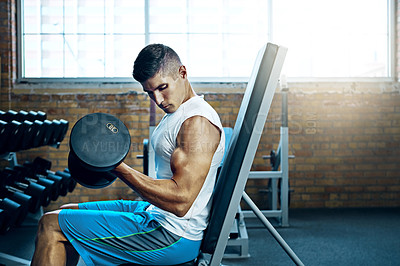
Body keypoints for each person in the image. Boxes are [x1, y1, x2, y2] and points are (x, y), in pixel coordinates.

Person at [31, 44, 225, 266]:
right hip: (154, 213)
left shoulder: (197, 123)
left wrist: (116, 166)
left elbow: (181, 202)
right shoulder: (178, 112)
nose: (158, 100)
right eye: (150, 93)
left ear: (182, 72)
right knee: (65, 212)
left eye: (163, 87)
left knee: (51, 224)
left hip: (173, 235)